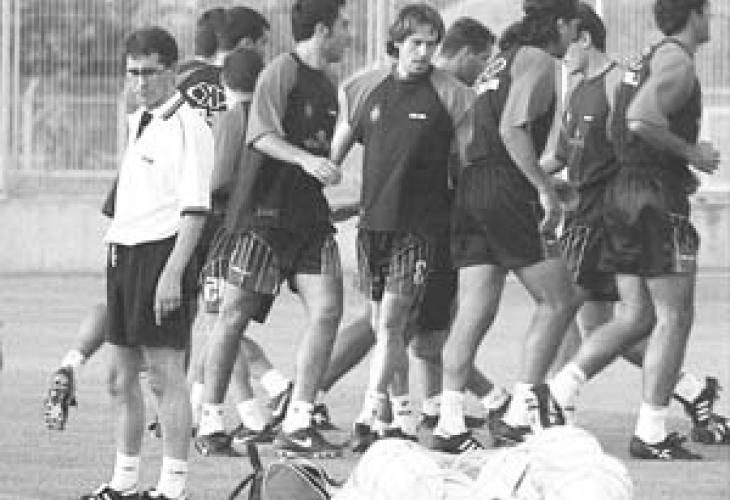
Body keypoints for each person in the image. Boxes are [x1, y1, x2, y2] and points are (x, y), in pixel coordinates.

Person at [316, 17, 509, 433]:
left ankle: (379, 412)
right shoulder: (362, 89)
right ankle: (401, 412)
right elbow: (334, 160)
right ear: (397, 43)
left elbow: (469, 168)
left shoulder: (456, 96)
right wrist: (335, 198)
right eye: (415, 43)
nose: (423, 52)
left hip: (426, 229)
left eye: (430, 44)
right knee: (385, 326)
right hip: (373, 228)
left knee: (399, 325)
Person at [548, 0, 722, 460]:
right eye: (708, 13)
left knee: (635, 317)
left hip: (624, 194)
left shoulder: (643, 58)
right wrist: (690, 155)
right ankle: (651, 431)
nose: (712, 20)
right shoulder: (677, 61)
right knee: (674, 317)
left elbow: (619, 127)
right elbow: (640, 119)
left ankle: (559, 391)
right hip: (652, 198)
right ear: (694, 15)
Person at [194, 0, 352, 459]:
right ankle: (210, 421)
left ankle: (298, 420)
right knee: (233, 315)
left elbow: (317, 151)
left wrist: (331, 186)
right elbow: (260, 135)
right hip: (263, 218)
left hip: (309, 219)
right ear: (322, 30)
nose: (349, 34)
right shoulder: (281, 71)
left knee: (328, 310)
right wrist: (307, 161)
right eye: (343, 26)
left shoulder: (330, 83)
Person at [433, 0, 582, 453]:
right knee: (560, 300)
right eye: (574, 26)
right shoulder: (538, 59)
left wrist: (539, 180)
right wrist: (542, 189)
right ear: (560, 24)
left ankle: (449, 423)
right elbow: (513, 130)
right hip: (504, 187)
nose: (575, 36)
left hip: (474, 185)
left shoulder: (500, 61)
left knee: (475, 309)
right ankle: (519, 415)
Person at [80, 26, 213, 500]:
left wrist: (173, 272)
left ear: (172, 72)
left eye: (149, 73)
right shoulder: (140, 119)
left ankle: (173, 488)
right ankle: (124, 482)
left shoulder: (190, 126)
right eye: (132, 73)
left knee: (163, 376)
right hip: (124, 253)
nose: (140, 82)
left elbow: (196, 210)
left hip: (161, 255)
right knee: (119, 379)